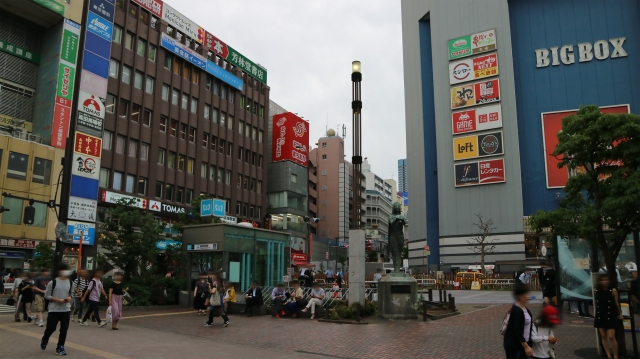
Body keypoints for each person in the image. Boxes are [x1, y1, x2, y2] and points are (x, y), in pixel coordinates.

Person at [40, 263, 73, 356]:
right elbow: (46, 295)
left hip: (66, 309)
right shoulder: (53, 282)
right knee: (51, 328)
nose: (65, 272)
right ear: (59, 271)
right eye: (63, 270)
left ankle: (60, 346)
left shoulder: (70, 282)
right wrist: (58, 300)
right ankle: (45, 339)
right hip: (54, 309)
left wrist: (69, 298)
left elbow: (71, 293)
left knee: (64, 329)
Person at [594, 274, 622, 359]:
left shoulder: (613, 290)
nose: (604, 282)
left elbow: (616, 303)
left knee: (611, 336)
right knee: (603, 335)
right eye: (602, 280)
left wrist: (620, 314)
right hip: (601, 314)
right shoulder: (596, 290)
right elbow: (597, 303)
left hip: (610, 314)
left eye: (606, 280)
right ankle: (608, 355)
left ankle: (616, 355)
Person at [503, 284, 534, 359]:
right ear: (519, 296)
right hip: (514, 345)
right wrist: (526, 346)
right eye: (525, 294)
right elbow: (517, 330)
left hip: (523, 344)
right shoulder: (517, 310)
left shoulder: (525, 309)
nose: (528, 296)